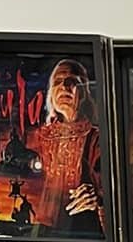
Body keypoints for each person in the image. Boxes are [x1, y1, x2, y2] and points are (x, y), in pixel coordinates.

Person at [30, 57, 103, 230]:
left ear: (84, 92)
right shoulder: (38, 137)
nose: (64, 87)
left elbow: (117, 186)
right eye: (58, 82)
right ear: (51, 94)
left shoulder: (96, 138)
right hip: (40, 230)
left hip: (82, 231)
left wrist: (99, 197)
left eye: (72, 82)